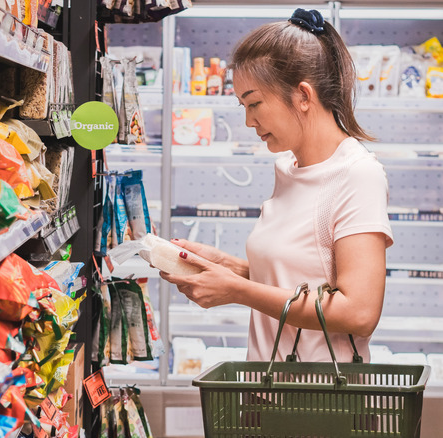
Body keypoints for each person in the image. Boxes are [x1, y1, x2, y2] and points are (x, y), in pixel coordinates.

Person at [160, 9, 393, 363]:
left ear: (303, 95)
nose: (248, 120)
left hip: (321, 403)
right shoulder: (288, 167)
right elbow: (304, 276)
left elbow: (358, 313)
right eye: (243, 105)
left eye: (254, 103)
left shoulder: (357, 174)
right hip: (269, 389)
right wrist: (227, 267)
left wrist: (237, 290)